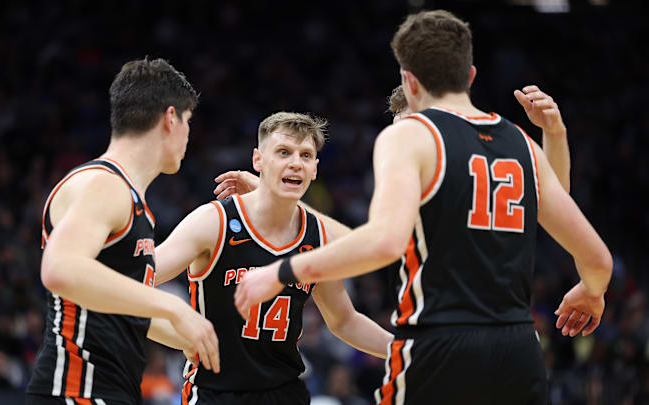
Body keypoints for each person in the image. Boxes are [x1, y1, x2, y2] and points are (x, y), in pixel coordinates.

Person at [235, 10, 612, 405]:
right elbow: (589, 248)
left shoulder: (410, 137)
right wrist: (591, 289)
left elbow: (383, 243)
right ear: (470, 76)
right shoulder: (520, 143)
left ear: (409, 81)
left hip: (440, 342)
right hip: (519, 347)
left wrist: (283, 270)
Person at [154, 112, 393, 405]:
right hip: (216, 393)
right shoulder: (215, 221)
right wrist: (177, 331)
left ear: (315, 168)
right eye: (283, 152)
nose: (295, 162)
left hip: (285, 392)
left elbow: (344, 321)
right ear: (258, 160)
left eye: (306, 155)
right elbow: (129, 281)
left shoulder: (316, 236)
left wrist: (404, 349)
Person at [26, 58, 220, 405]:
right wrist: (173, 307)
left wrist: (192, 337)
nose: (189, 134)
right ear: (170, 118)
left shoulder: (127, 197)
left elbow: (113, 309)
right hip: (77, 390)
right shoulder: (105, 184)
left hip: (106, 392)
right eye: (188, 121)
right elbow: (60, 269)